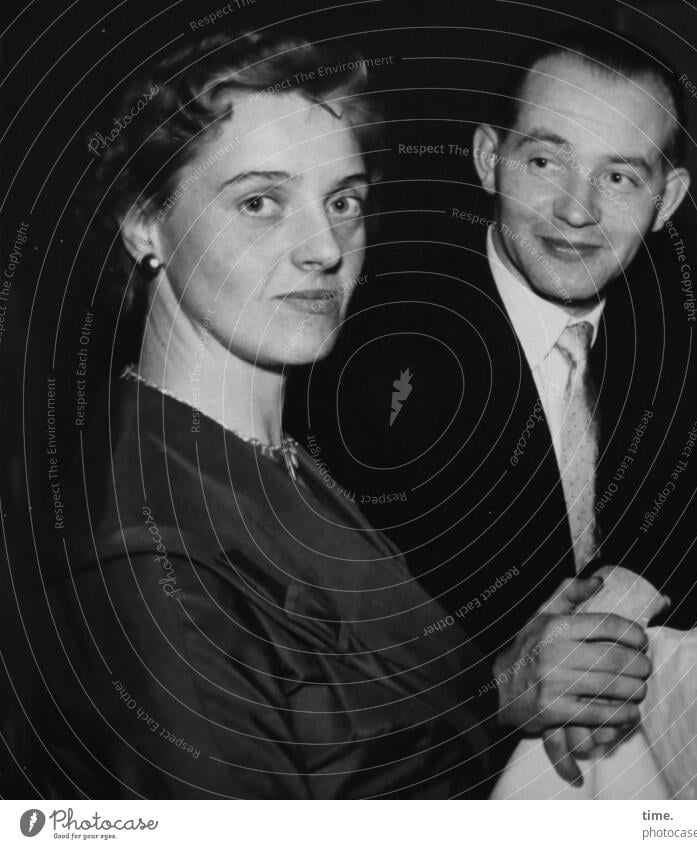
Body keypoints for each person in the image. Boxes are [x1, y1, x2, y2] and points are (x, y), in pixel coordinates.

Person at [31, 29, 504, 799]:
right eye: (260, 202)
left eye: (344, 200)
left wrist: (510, 685)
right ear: (145, 224)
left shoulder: (271, 456)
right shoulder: (154, 564)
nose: (324, 247)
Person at [299, 27, 697, 782]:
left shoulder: (668, 310)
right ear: (488, 160)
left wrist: (626, 597)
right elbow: (321, 675)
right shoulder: (365, 354)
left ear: (665, 202)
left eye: (620, 179)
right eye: (545, 160)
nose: (577, 212)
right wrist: (502, 688)